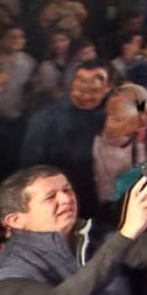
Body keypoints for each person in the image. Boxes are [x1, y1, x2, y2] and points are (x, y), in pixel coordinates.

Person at [0, 168, 147, 295]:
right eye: (50, 197)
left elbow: (138, 257)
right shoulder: (4, 277)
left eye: (67, 189)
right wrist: (126, 232)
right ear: (15, 220)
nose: (65, 199)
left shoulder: (86, 233)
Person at [20, 60, 112, 210]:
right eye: (81, 88)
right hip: (64, 199)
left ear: (107, 88)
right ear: (72, 84)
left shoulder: (113, 115)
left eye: (93, 91)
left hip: (106, 198)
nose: (86, 95)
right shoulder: (46, 119)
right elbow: (30, 167)